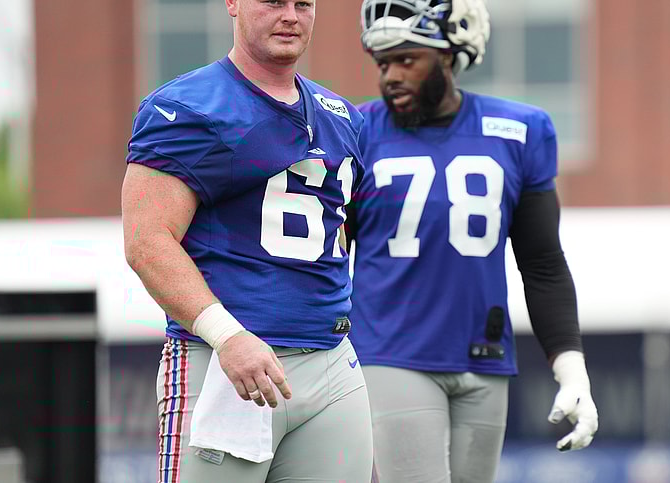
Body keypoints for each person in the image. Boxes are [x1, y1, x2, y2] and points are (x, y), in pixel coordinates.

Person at [346, 1, 599, 481]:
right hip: (392, 352)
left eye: (406, 59)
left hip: (483, 355)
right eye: (383, 63)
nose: (391, 75)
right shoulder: (356, 132)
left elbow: (542, 261)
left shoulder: (521, 131)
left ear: (449, 54)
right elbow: (331, 254)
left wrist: (571, 365)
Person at [121, 1, 372, 482]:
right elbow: (147, 241)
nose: (291, 16)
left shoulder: (341, 116)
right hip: (225, 362)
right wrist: (226, 334)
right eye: (274, 1)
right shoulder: (187, 106)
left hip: (330, 360)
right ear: (233, 3)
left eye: (303, 3)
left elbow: (341, 234)